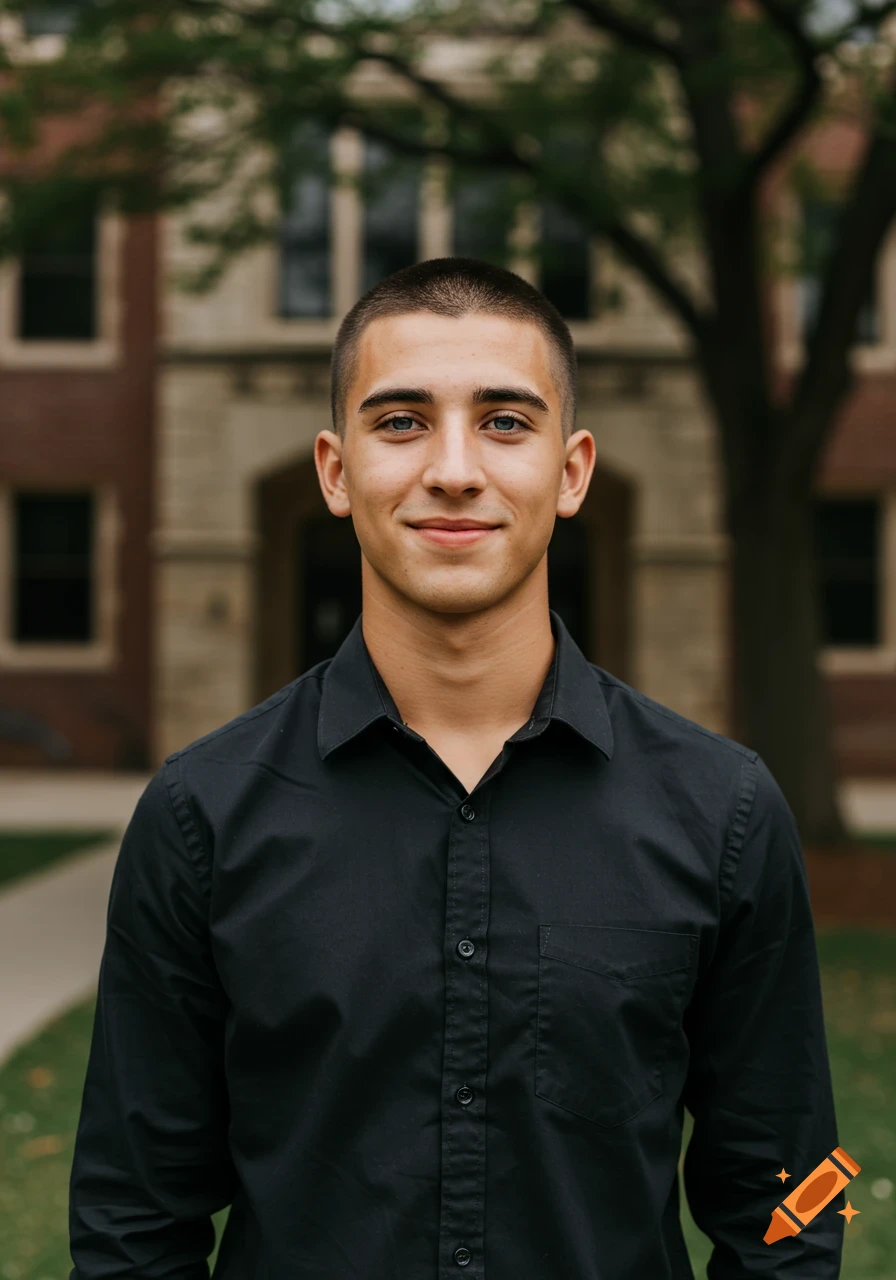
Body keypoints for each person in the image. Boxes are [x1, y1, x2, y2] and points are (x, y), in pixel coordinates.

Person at [68, 257, 844, 1279]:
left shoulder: (721, 809)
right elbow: (133, 1216)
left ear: (570, 473)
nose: (452, 468)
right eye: (398, 421)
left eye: (504, 421)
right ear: (334, 469)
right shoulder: (201, 812)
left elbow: (788, 1196)